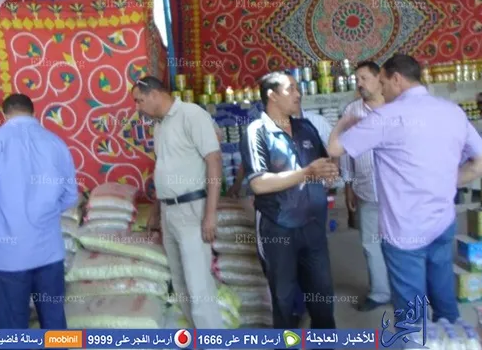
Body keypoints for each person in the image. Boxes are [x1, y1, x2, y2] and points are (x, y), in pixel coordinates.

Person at [328, 54, 482, 325]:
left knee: (411, 311)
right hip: (442, 222)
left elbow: (335, 149)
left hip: (403, 231)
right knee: (443, 293)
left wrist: (344, 121)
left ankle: (417, 339)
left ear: (396, 79)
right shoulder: (452, 111)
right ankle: (452, 337)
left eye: (383, 83)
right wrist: (446, 181)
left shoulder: (386, 117)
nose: (382, 90)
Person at [0, 93, 78, 329]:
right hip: (49, 253)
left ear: (3, 114)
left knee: (11, 329)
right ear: (34, 113)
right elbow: (70, 196)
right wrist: (45, 212)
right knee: (55, 323)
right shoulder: (55, 143)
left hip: (6, 256)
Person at [240, 71, 339, 329]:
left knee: (323, 297)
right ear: (272, 95)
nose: (298, 94)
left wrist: (329, 172)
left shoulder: (305, 127)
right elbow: (258, 183)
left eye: (298, 88)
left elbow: (322, 164)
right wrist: (306, 173)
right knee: (283, 301)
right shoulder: (257, 132)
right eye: (291, 89)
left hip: (313, 225)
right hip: (278, 227)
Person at [131, 76, 224, 329]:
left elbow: (214, 160)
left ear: (154, 94)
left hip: (192, 209)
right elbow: (163, 169)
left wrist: (210, 215)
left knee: (198, 286)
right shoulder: (160, 126)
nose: (138, 107)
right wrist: (156, 209)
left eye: (139, 100)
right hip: (168, 211)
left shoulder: (191, 115)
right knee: (181, 283)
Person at [339, 61, 390, 312]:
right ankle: (380, 292)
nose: (359, 83)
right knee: (370, 243)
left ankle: (406, 289)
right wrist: (348, 184)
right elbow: (345, 151)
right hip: (366, 188)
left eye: (364, 78)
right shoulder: (352, 111)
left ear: (379, 78)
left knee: (402, 242)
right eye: (357, 79)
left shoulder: (395, 106)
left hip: (398, 191)